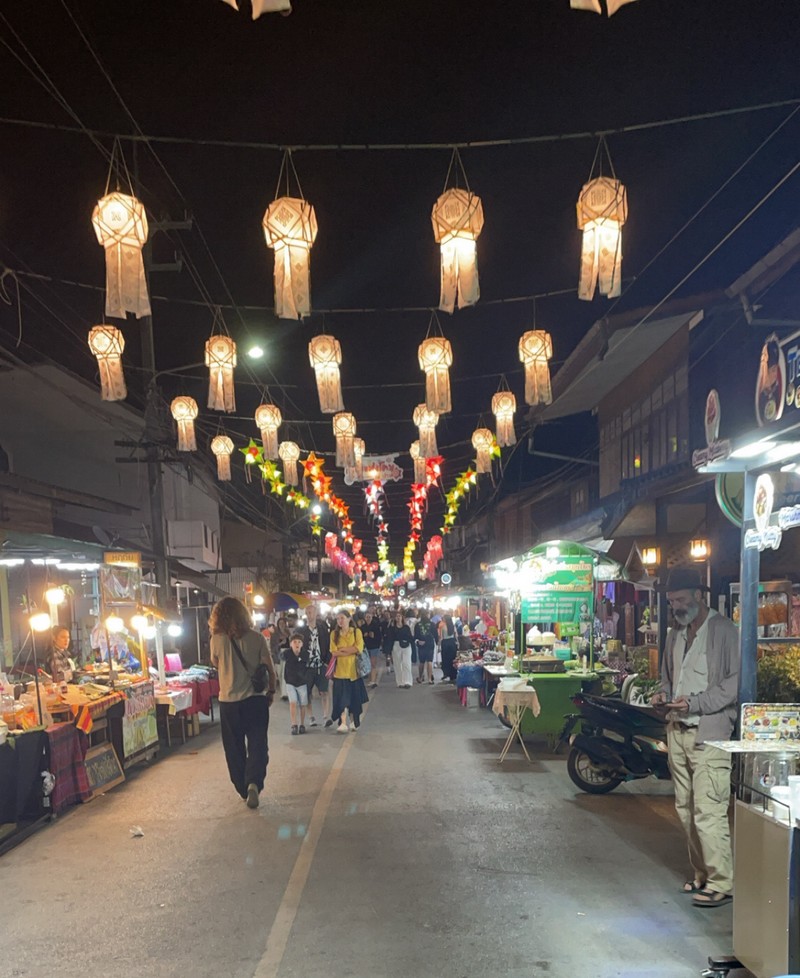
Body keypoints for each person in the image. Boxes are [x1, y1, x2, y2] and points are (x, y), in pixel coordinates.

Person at [650, 567, 739, 908]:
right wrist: (663, 695)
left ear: (699, 597)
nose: (676, 606)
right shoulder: (675, 633)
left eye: (682, 599)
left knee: (709, 809)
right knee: (685, 810)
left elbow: (733, 683)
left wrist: (696, 703)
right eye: (672, 601)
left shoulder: (723, 631)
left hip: (710, 734)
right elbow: (667, 677)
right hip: (677, 729)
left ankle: (722, 881)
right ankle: (702, 874)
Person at [209, 596, 277, 810]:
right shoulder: (257, 638)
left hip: (229, 702)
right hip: (255, 701)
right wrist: (272, 690)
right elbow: (269, 666)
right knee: (258, 744)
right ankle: (254, 782)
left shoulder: (216, 640)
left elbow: (216, 663)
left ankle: (242, 786)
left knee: (234, 748)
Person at [329, 612, 368, 732]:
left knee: (354, 700)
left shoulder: (356, 632)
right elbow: (333, 652)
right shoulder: (334, 634)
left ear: (349, 619)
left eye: (342, 618)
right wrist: (350, 650)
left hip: (353, 672)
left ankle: (353, 721)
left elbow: (358, 648)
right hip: (339, 673)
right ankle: (342, 722)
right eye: (338, 618)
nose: (340, 621)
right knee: (341, 700)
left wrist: (343, 650)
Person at [298, 604, 332, 727]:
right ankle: (311, 717)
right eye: (307, 612)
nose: (309, 614)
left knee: (324, 691)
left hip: (321, 664)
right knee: (307, 692)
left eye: (311, 612)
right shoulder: (301, 630)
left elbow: (328, 644)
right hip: (307, 666)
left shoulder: (322, 628)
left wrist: (327, 661)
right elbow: (297, 646)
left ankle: (325, 716)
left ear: (316, 613)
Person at [284, 631, 309, 735]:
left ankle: (302, 724)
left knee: (303, 704)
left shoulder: (305, 654)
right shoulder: (286, 653)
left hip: (302, 682)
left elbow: (307, 666)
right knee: (293, 702)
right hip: (290, 682)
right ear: (290, 644)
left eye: (299, 642)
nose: (297, 644)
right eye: (294, 642)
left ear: (302, 644)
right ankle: (294, 724)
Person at [386, 611, 414, 688]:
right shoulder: (392, 628)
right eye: (397, 616)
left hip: (406, 646)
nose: (398, 618)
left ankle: (408, 681)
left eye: (399, 616)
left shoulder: (406, 627)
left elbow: (410, 638)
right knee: (397, 664)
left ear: (402, 618)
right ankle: (400, 682)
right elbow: (390, 639)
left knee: (406, 663)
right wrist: (388, 651)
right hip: (396, 645)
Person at [270, 617, 291, 700]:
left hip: (287, 655)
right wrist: (280, 643)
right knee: (280, 673)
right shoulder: (275, 634)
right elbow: (272, 647)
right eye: (280, 623)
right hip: (279, 655)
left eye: (283, 623)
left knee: (285, 674)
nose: (282, 625)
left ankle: (285, 693)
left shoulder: (288, 633)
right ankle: (283, 692)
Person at [361, 609, 383, 689]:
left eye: (369, 617)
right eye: (367, 617)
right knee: (367, 664)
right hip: (365, 647)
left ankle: (373, 680)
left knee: (373, 663)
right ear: (364, 618)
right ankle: (370, 678)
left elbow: (379, 637)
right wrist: (365, 635)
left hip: (374, 647)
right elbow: (360, 638)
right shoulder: (362, 627)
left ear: (372, 617)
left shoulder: (376, 626)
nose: (368, 618)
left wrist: (374, 637)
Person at [414, 611, 436, 684]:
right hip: (430, 643)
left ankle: (420, 677)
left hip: (421, 644)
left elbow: (415, 636)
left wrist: (418, 641)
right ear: (427, 615)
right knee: (429, 661)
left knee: (422, 661)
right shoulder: (432, 624)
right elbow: (435, 635)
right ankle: (429, 679)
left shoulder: (417, 625)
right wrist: (437, 641)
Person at [438, 613, 458, 684]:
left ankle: (446, 673)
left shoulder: (442, 626)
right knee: (453, 659)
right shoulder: (453, 626)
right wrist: (457, 643)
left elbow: (440, 637)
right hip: (452, 643)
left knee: (445, 659)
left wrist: (438, 646)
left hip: (445, 643)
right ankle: (453, 675)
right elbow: (456, 635)